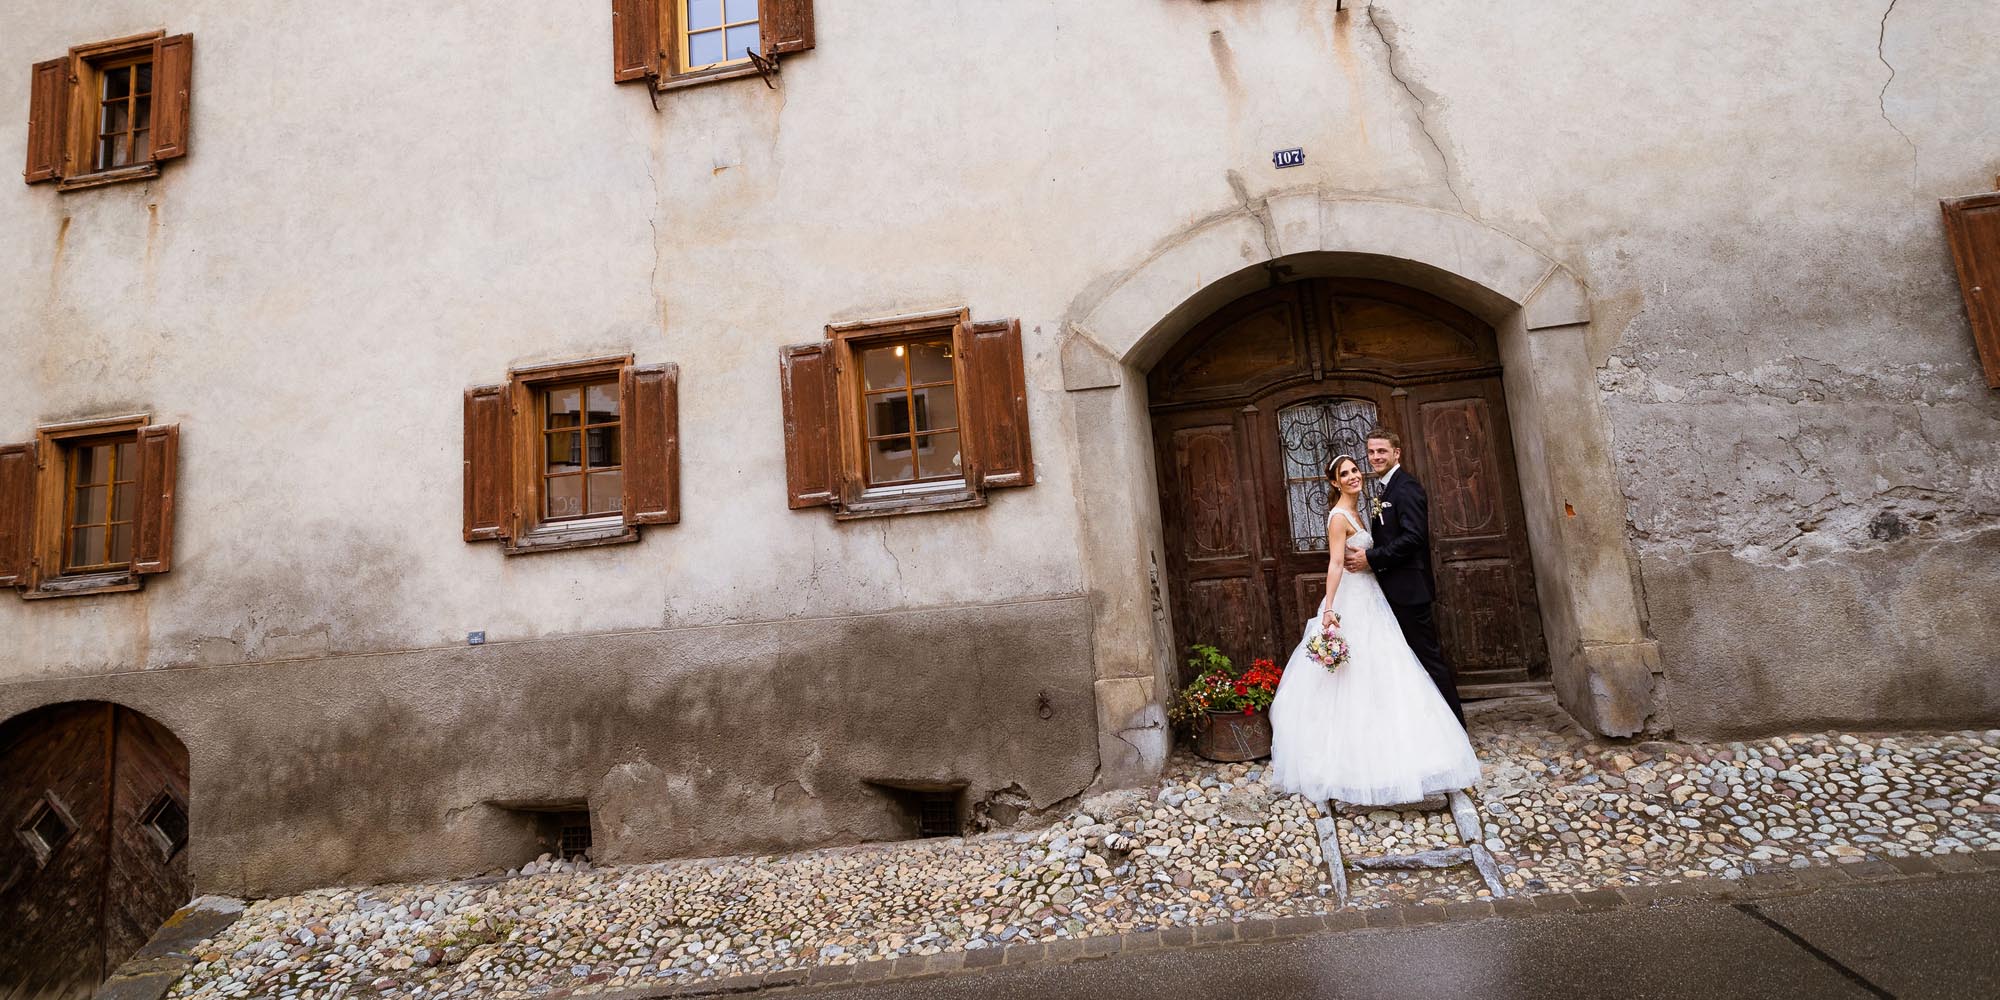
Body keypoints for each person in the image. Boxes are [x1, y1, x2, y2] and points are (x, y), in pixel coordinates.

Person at [1267, 453, 1480, 806]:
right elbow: (1336, 563)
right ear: (1334, 482)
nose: (1353, 476)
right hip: (1352, 600)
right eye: (1344, 474)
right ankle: (1352, 759)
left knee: (1386, 668)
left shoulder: (1358, 511)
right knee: (1357, 674)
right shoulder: (1339, 517)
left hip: (1372, 596)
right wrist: (1329, 608)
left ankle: (1397, 745)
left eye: (1355, 470)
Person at [1344, 428, 1466, 726]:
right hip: (1392, 588)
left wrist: (1371, 558)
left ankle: (1455, 726)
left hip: (1409, 589)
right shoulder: (1385, 488)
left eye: (1382, 451)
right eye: (1371, 452)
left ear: (1396, 453)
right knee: (1407, 660)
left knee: (1427, 658)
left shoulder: (1406, 487)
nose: (1375, 457)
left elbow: (1414, 537)